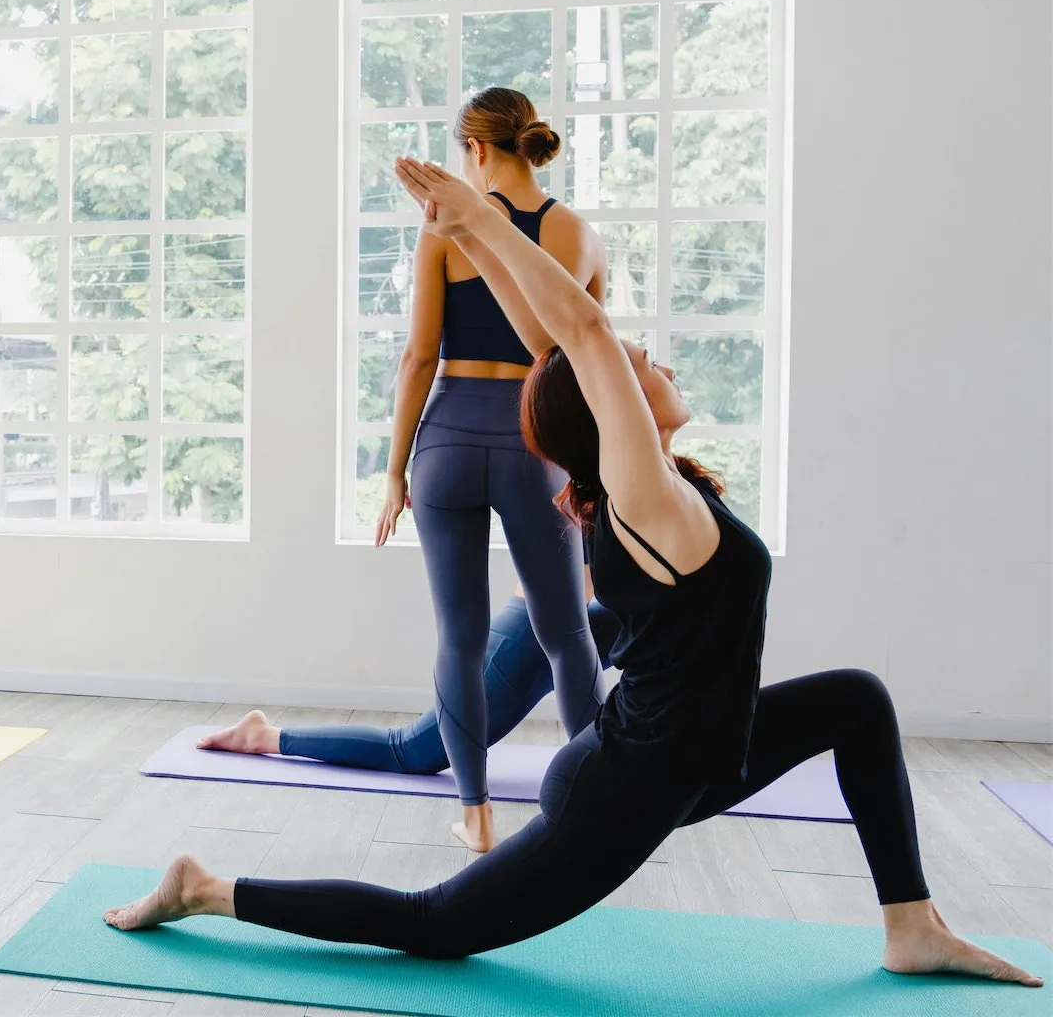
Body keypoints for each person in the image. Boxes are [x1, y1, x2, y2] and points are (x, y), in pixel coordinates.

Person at [101, 157, 1043, 989]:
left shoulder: (641, 487)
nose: (650, 360)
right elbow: (583, 337)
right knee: (438, 927)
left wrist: (483, 233)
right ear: (614, 410)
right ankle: (208, 889)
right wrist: (477, 221)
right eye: (638, 365)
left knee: (857, 699)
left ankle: (911, 927)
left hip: (703, 756)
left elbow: (554, 347)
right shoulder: (646, 501)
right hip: (624, 789)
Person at [369, 87, 607, 850]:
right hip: (532, 446)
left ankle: (473, 812)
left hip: (444, 439)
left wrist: (394, 471)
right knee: (567, 632)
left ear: (473, 150)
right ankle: (598, 798)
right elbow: (581, 361)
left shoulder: (443, 229)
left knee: (460, 635)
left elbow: (417, 358)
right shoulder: (577, 233)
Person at [200, 593, 620, 781]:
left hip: (570, 633)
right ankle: (264, 736)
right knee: (411, 752)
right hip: (528, 641)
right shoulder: (597, 474)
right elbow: (568, 607)